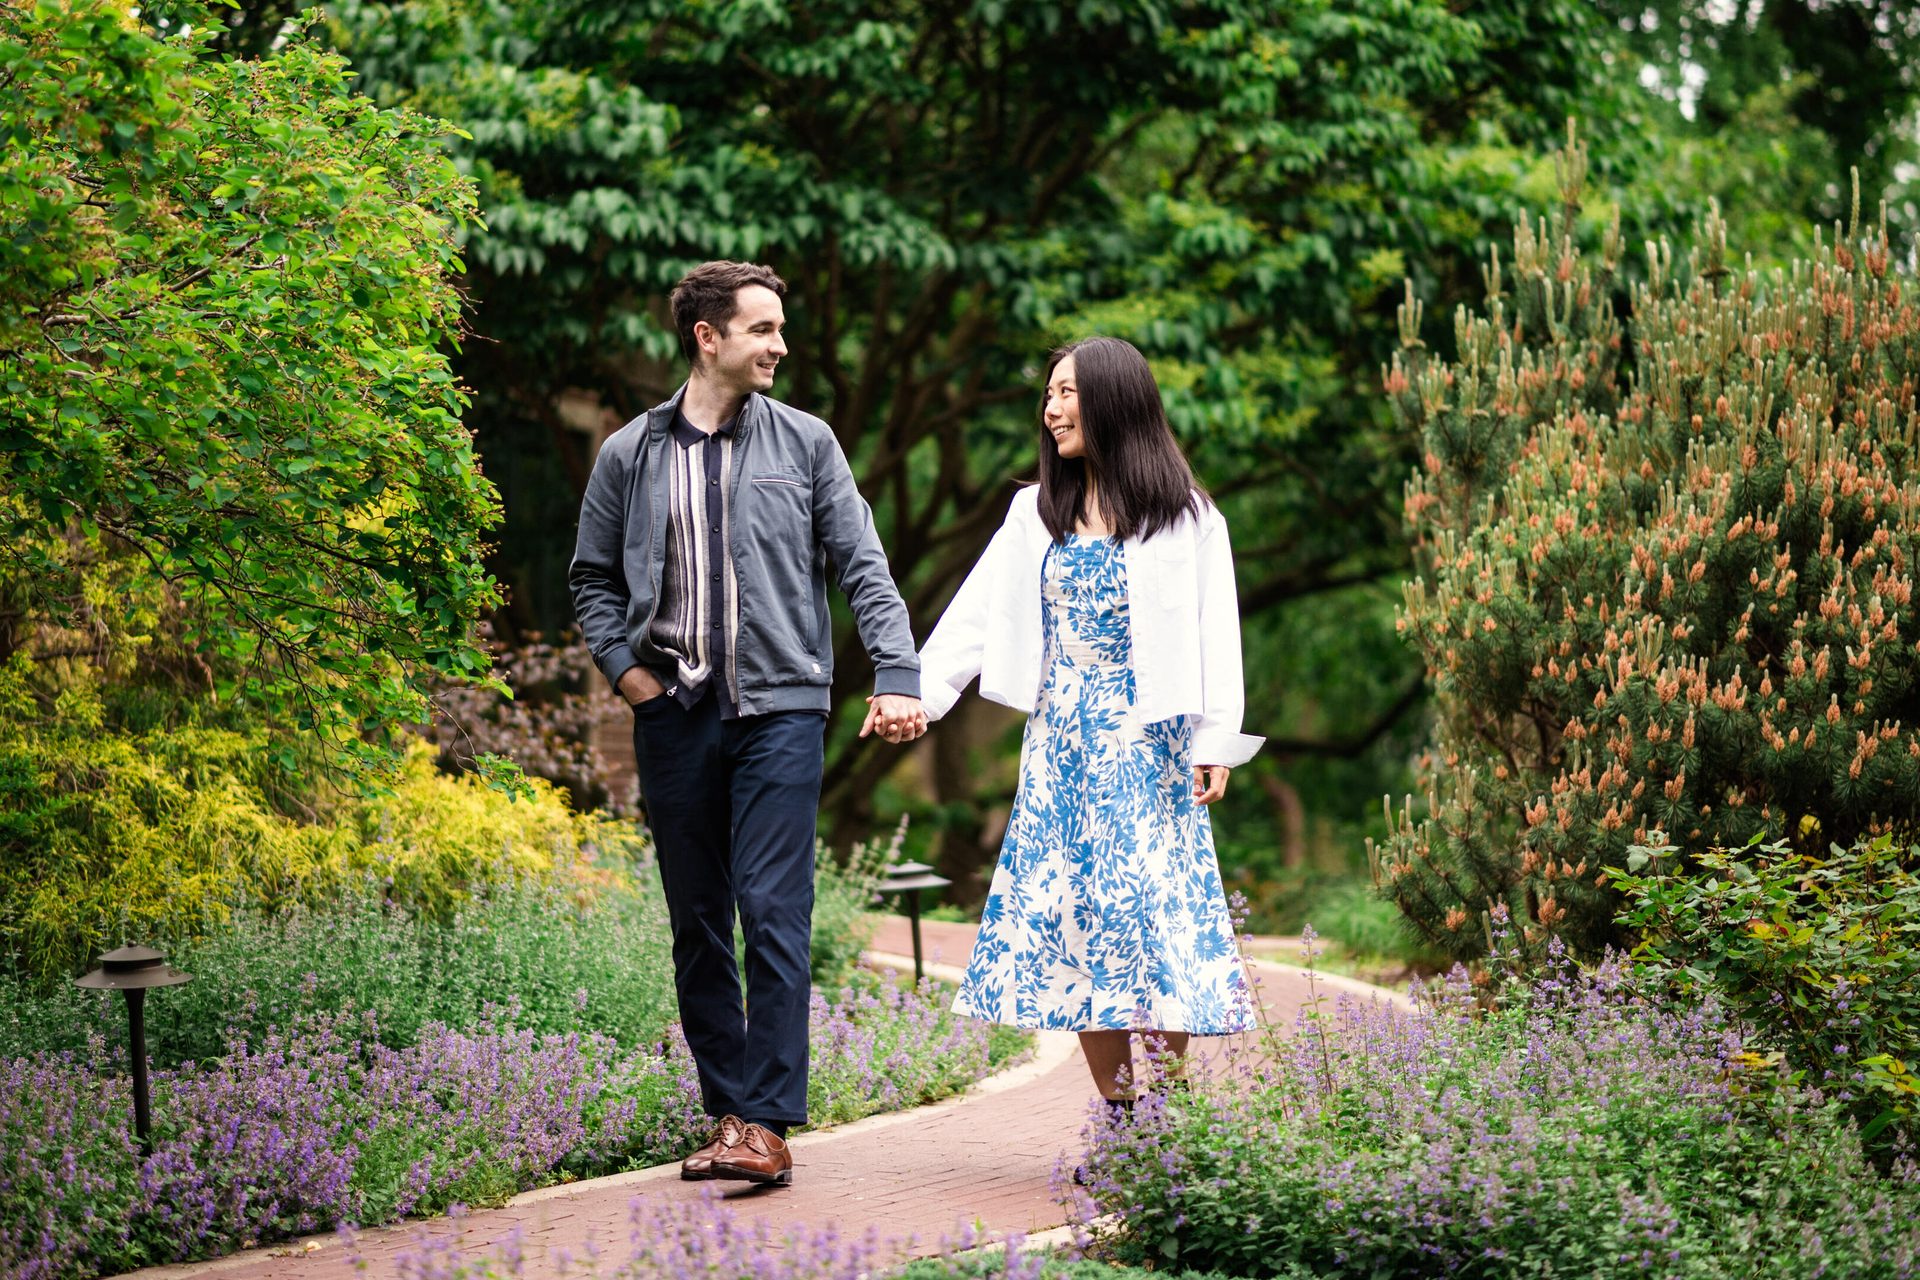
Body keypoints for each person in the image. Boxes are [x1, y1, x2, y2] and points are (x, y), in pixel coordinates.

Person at [570, 261, 927, 1187]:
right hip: (674, 714)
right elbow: (592, 579)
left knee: (772, 909)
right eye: (762, 329)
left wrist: (895, 671)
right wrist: (630, 677)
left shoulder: (807, 443)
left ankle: (766, 1124)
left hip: (781, 710)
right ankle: (730, 1114)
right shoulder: (629, 454)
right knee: (697, 920)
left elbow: (861, 560)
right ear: (708, 337)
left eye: (779, 329)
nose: (778, 346)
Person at [905, 335, 1261, 1111]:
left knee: (1152, 921)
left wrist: (1217, 742)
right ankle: (1124, 1117)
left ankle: (1163, 1117)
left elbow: (1216, 637)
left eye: (1067, 392)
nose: (1052, 408)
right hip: (1062, 745)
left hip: (1151, 747)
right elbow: (973, 618)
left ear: (1112, 401)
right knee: (1078, 924)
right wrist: (917, 694)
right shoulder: (1034, 513)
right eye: (1049, 394)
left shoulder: (1188, 519)